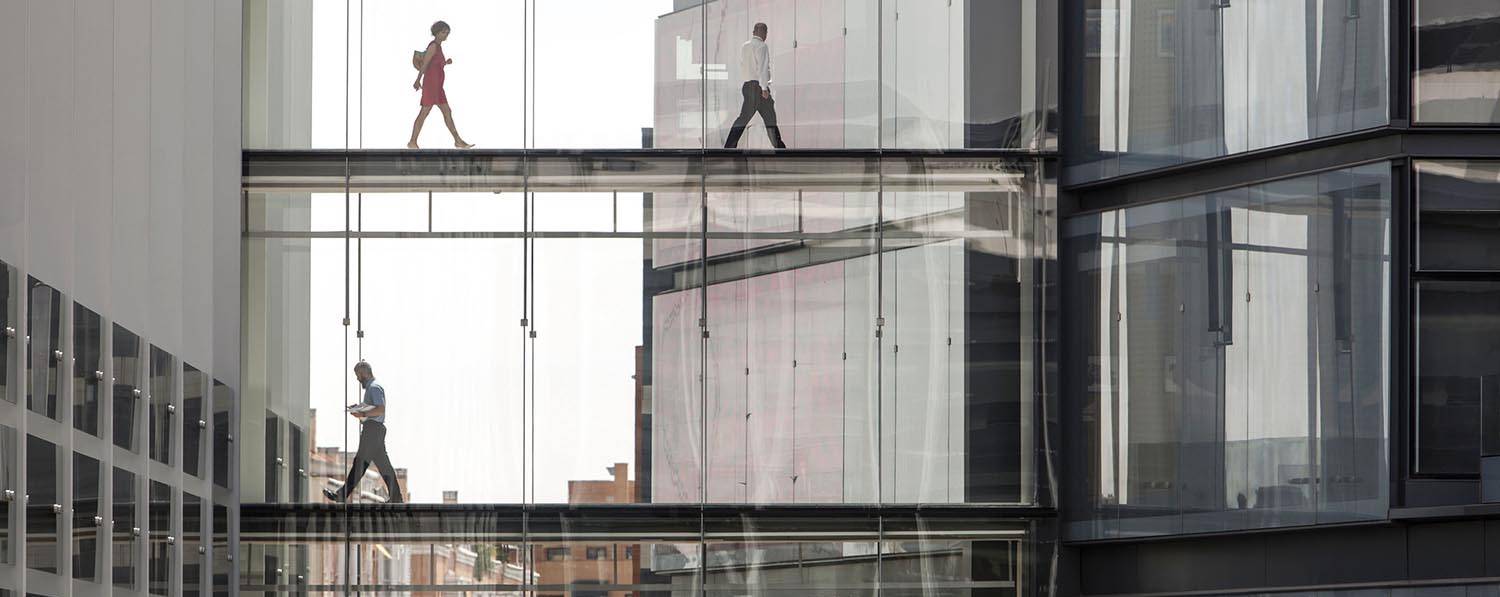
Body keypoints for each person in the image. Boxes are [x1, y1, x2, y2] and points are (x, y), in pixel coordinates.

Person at [323, 361, 404, 503]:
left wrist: (362, 414)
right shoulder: (372, 388)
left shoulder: (374, 388)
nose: (357, 378)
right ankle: (396, 497)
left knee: (359, 464)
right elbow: (375, 408)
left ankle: (342, 495)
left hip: (372, 430)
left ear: (364, 373)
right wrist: (360, 408)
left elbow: (380, 409)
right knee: (383, 465)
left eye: (358, 375)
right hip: (374, 430)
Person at [408, 20, 475, 149]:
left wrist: (446, 62)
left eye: (447, 33)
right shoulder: (433, 46)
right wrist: (417, 80)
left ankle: (458, 141)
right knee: (424, 113)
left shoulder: (438, 47)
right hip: (431, 85)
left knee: (447, 112)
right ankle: (412, 141)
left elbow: (435, 64)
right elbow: (426, 65)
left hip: (438, 86)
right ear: (437, 33)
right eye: (444, 32)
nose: (446, 35)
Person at [723, 22, 787, 149]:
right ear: (763, 32)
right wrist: (764, 88)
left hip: (747, 86)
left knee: (748, 118)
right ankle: (779, 148)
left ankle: (729, 146)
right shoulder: (762, 46)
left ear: (753, 32)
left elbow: (743, 65)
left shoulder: (745, 46)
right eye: (766, 32)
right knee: (769, 119)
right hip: (758, 87)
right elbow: (762, 69)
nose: (766, 35)